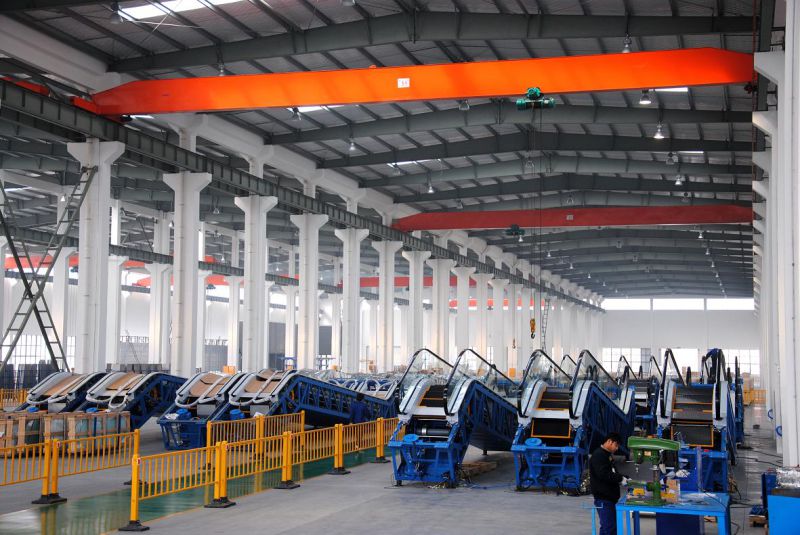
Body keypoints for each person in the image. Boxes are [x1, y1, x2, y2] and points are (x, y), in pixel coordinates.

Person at [589, 432, 629, 535]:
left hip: (609, 498)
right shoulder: (599, 455)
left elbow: (611, 472)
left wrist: (623, 478)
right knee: (609, 529)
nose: (616, 448)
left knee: (608, 528)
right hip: (604, 499)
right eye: (616, 445)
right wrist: (620, 478)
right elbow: (603, 474)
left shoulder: (607, 455)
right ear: (609, 441)